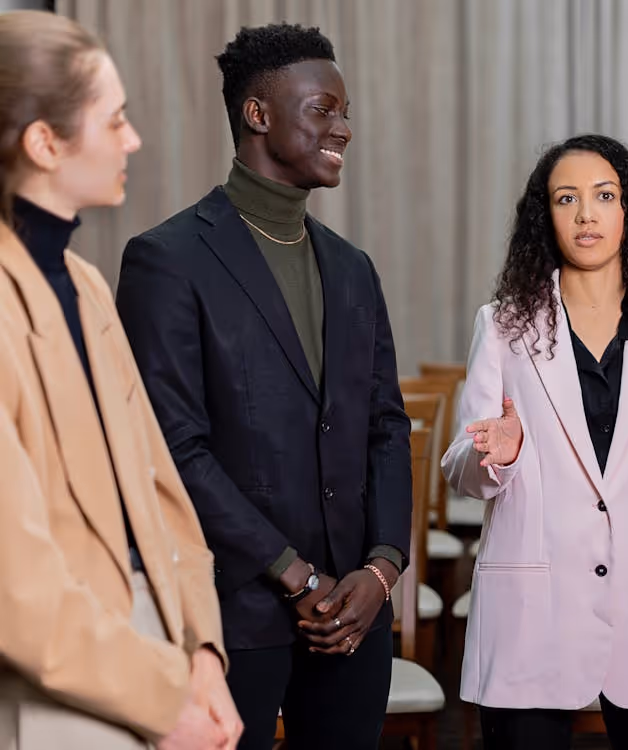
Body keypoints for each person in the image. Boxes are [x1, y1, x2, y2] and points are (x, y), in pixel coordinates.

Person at [115, 23, 412, 750]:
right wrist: (293, 575)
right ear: (258, 114)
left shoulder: (352, 268)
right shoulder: (167, 259)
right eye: (323, 108)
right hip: (232, 610)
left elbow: (386, 426)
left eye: (345, 110)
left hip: (355, 614)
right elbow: (171, 448)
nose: (343, 126)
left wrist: (381, 568)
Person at [0, 10, 240, 750]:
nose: (133, 139)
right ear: (45, 143)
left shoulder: (87, 284)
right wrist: (166, 698)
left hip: (160, 647)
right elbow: (18, 591)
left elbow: (162, 493)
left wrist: (202, 655)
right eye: (115, 121)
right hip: (57, 685)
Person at [442, 133, 628, 750]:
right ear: (546, 217)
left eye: (603, 196)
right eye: (565, 198)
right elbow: (461, 468)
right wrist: (500, 452)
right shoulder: (502, 324)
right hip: (530, 607)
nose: (586, 214)